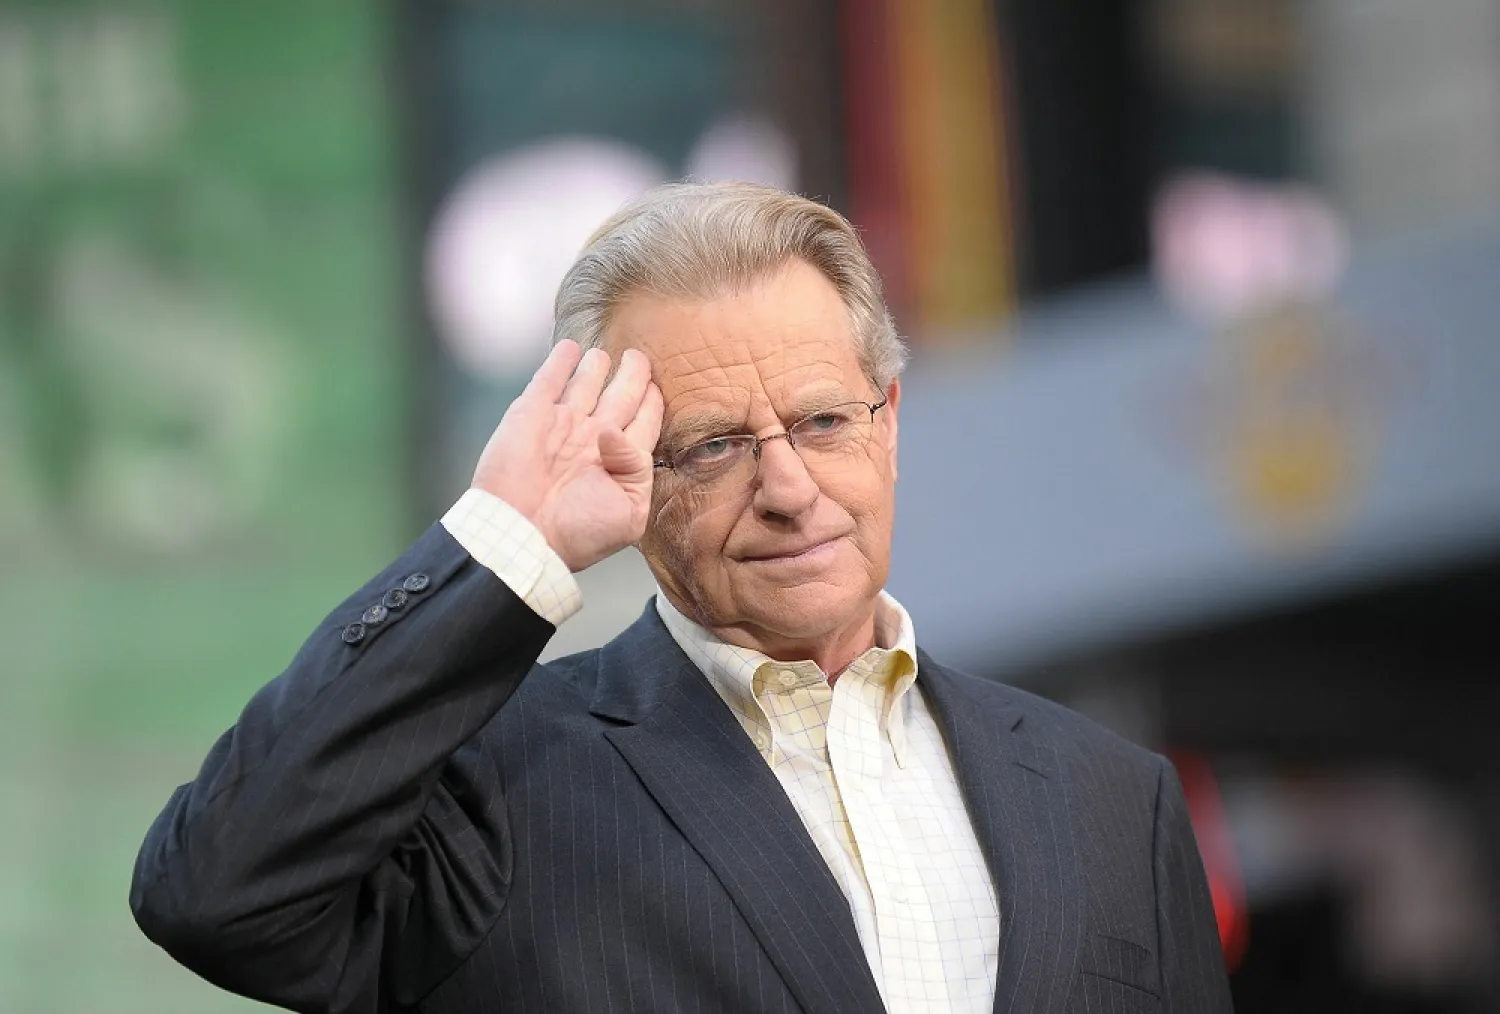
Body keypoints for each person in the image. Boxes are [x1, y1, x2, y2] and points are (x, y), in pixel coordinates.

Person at [131, 182, 1232, 1014]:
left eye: (822, 421)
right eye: (712, 447)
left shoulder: (1111, 801)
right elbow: (215, 894)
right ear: (632, 477)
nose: (790, 492)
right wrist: (508, 539)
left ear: (888, 420)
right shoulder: (494, 792)